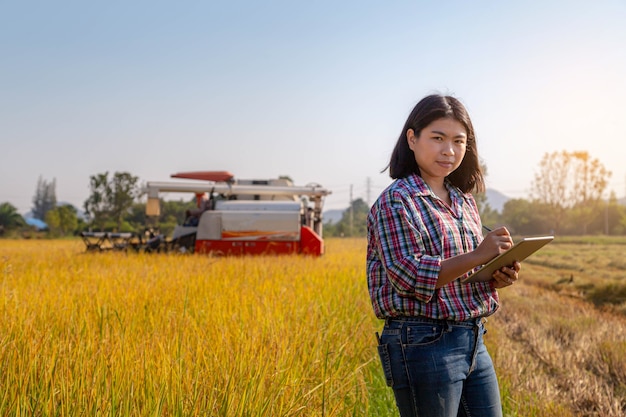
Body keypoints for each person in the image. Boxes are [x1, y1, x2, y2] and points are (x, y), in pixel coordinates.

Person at [367, 94, 520, 417]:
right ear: (412, 138)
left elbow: (462, 272)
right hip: (423, 343)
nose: (448, 150)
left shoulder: (463, 200)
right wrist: (479, 255)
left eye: (458, 141)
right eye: (437, 138)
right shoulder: (397, 201)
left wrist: (494, 275)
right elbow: (408, 276)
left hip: (473, 338)